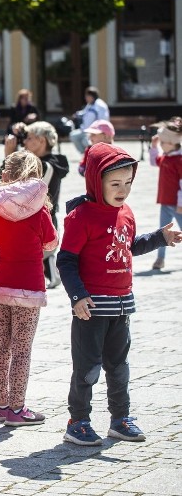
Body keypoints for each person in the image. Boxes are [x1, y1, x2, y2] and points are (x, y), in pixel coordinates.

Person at [57, 143, 182, 445]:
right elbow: (66, 260)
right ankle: (79, 421)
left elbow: (129, 247)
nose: (122, 189)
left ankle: (120, 419)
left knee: (119, 368)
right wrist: (78, 297)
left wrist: (159, 238)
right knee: (87, 370)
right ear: (95, 181)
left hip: (122, 306)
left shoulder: (125, 212)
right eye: (115, 183)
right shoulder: (81, 216)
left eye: (127, 183)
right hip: (92, 309)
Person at [0, 150, 57, 427]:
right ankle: (17, 408)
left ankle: (0, 405)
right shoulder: (39, 209)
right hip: (28, 287)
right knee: (22, 350)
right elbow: (51, 244)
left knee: (1, 347)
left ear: (5, 174)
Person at [7, 122, 70, 287]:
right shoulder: (49, 162)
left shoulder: (44, 166)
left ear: (41, 141)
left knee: (34, 254)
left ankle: (49, 271)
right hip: (44, 218)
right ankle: (51, 271)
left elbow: (13, 187)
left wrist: (9, 157)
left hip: (39, 219)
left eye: (28, 138)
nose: (24, 143)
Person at [149, 119, 182, 271]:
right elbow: (154, 162)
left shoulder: (179, 160)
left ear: (171, 142)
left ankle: (160, 258)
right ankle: (160, 258)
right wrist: (154, 147)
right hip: (165, 202)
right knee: (163, 232)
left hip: (177, 205)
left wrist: (181, 204)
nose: (161, 145)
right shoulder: (166, 157)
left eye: (162, 142)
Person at [70, 86, 110, 154]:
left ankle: (93, 155)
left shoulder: (100, 105)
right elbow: (84, 112)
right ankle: (85, 155)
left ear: (91, 96)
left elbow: (104, 121)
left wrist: (97, 131)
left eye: (87, 96)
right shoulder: (90, 104)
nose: (85, 98)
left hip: (95, 131)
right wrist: (76, 114)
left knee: (85, 141)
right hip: (85, 129)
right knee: (73, 135)